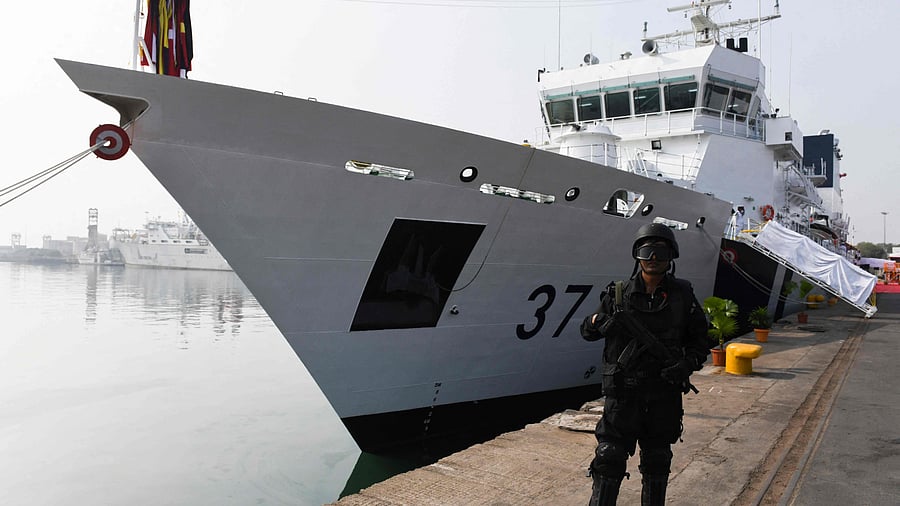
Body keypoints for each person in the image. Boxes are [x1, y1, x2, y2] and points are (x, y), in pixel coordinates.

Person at [581, 223, 709, 505]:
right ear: (637, 255)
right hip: (623, 395)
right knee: (609, 457)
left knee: (657, 459)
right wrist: (600, 323)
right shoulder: (618, 294)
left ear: (671, 256)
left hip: (663, 393)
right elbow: (586, 330)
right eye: (647, 251)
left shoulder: (682, 295)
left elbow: (701, 340)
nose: (653, 258)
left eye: (660, 252)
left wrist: (686, 365)